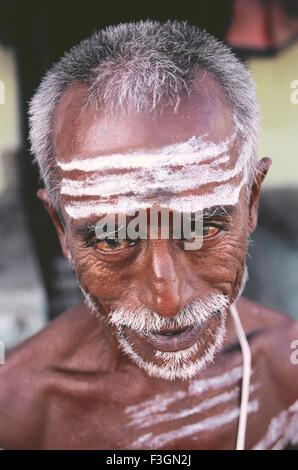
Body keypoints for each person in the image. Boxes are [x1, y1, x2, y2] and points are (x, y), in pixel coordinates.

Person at [0, 20, 297, 450]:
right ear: (61, 227)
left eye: (199, 228)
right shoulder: (16, 414)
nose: (167, 300)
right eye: (114, 240)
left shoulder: (287, 369)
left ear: (251, 201)